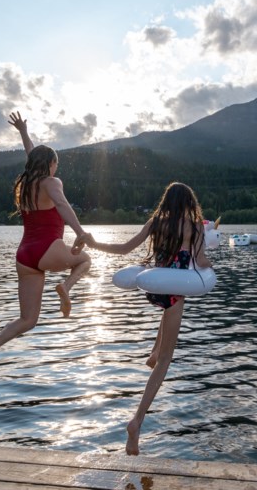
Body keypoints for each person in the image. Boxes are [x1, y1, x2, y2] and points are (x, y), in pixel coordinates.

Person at [82, 181, 212, 455]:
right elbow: (200, 262)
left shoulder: (156, 222)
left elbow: (124, 249)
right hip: (174, 290)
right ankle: (137, 420)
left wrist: (93, 243)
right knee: (166, 361)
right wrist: (211, 268)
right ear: (189, 203)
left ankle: (153, 351)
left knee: (164, 321)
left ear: (166, 201)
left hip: (155, 288)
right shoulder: (194, 225)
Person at [0, 111, 91, 385]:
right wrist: (81, 232)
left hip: (24, 257)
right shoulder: (51, 182)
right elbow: (62, 205)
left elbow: (32, 156)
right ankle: (66, 288)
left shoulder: (28, 184)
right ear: (51, 164)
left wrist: (23, 132)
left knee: (27, 320)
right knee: (85, 260)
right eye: (56, 163)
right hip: (48, 248)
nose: (57, 167)